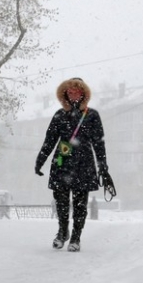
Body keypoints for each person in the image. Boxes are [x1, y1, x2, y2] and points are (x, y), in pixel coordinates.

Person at [35, 78, 111, 252]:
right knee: (61, 201)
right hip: (62, 162)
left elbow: (99, 143)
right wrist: (40, 161)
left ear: (83, 93)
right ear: (64, 94)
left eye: (76, 91)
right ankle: (62, 232)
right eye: (69, 91)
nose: (73, 94)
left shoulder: (92, 115)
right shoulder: (59, 115)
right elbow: (49, 141)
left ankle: (76, 237)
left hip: (84, 164)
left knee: (79, 204)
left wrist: (103, 167)